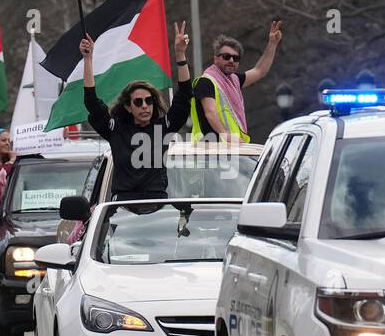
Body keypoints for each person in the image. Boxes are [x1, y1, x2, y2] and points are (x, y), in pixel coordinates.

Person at [82, 21, 193, 201]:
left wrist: (180, 54)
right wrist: (88, 59)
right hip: (123, 207)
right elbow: (91, 102)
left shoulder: (162, 127)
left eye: (149, 101)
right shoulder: (116, 129)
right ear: (128, 106)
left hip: (157, 205)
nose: (144, 106)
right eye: (138, 102)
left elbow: (185, 95)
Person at [190, 20, 282, 142]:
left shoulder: (234, 81)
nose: (231, 60)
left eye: (236, 58)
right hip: (209, 150)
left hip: (231, 150)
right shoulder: (206, 82)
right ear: (216, 58)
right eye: (226, 57)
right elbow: (210, 113)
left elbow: (260, 71)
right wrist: (227, 136)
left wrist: (272, 43)